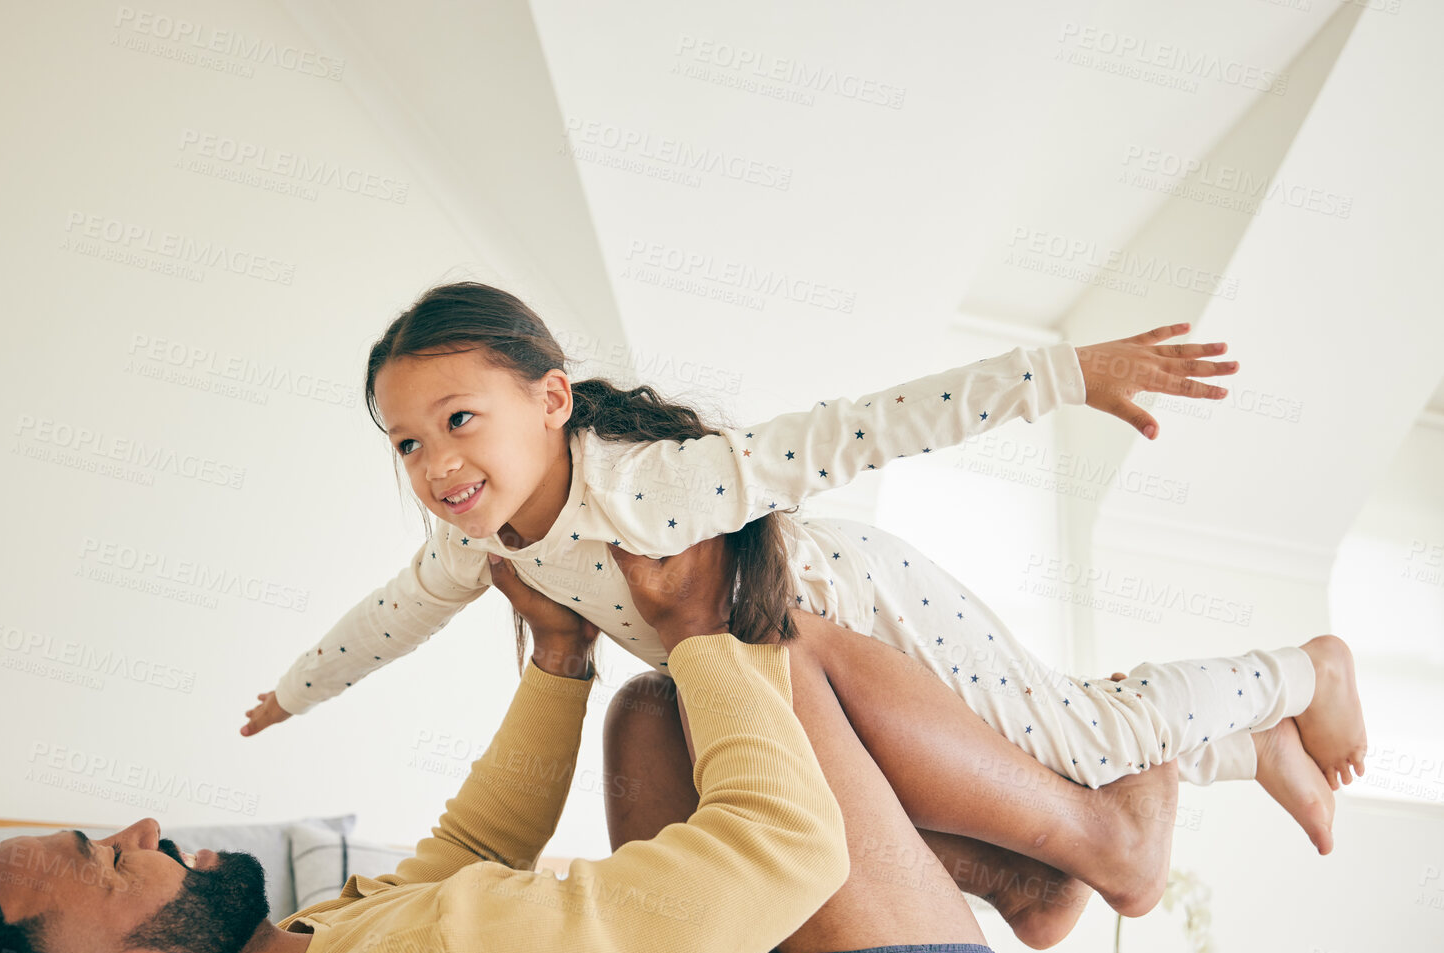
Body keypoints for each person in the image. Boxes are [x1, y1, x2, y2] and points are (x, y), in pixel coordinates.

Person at [0, 536, 1183, 953]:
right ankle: (1103, 846)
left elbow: (466, 850)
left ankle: (1025, 884)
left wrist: (558, 652)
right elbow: (789, 850)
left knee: (638, 720)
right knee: (772, 660)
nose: (140, 825)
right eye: (109, 862)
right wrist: (705, 630)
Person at [242, 282, 1367, 855]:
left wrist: (1061, 372)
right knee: (1026, 792)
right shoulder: (471, 541)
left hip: (872, 613)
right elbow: (390, 617)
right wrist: (298, 691)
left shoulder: (654, 484)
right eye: (407, 443)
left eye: (457, 420)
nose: (437, 462)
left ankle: (1300, 671)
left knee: (1085, 744)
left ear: (549, 400)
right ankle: (1242, 751)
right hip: (811, 684)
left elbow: (855, 431)